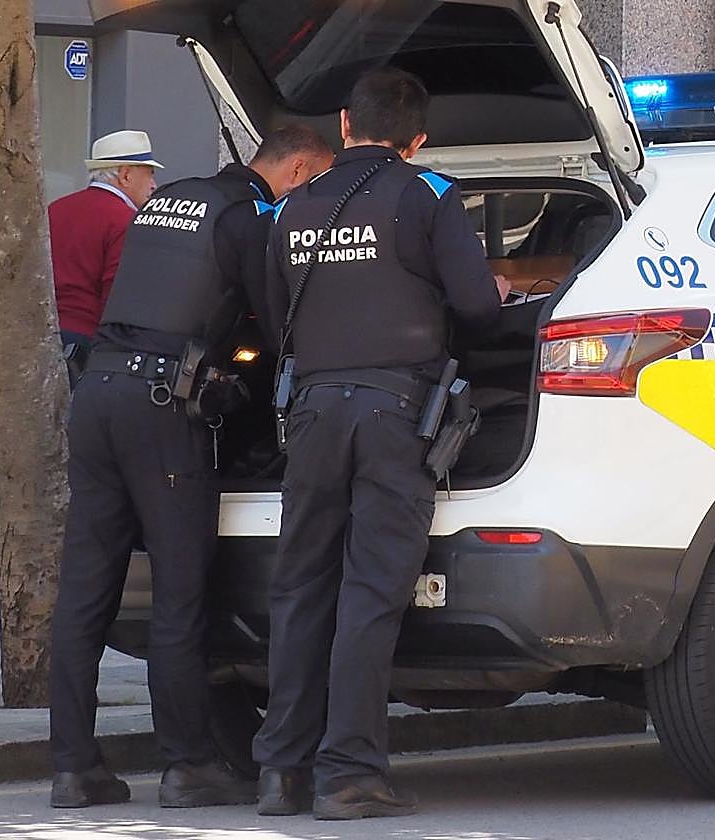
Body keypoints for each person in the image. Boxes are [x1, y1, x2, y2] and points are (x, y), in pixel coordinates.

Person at [48, 124, 334, 810]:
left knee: (83, 595)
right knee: (180, 597)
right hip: (160, 408)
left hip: (98, 395)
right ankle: (187, 765)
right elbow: (279, 322)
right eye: (316, 183)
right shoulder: (247, 217)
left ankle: (74, 769)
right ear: (297, 171)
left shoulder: (167, 199)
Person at [254, 67, 510, 820]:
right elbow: (478, 310)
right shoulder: (427, 194)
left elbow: (273, 320)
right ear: (417, 139)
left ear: (344, 124)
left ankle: (282, 773)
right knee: (369, 592)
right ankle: (349, 774)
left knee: (300, 588)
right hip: (394, 414)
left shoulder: (291, 206)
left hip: (309, 414)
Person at [49, 130, 162, 350]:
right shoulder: (127, 220)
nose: (153, 184)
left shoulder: (55, 209)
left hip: (42, 334)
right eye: (149, 174)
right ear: (126, 175)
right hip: (88, 342)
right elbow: (118, 298)